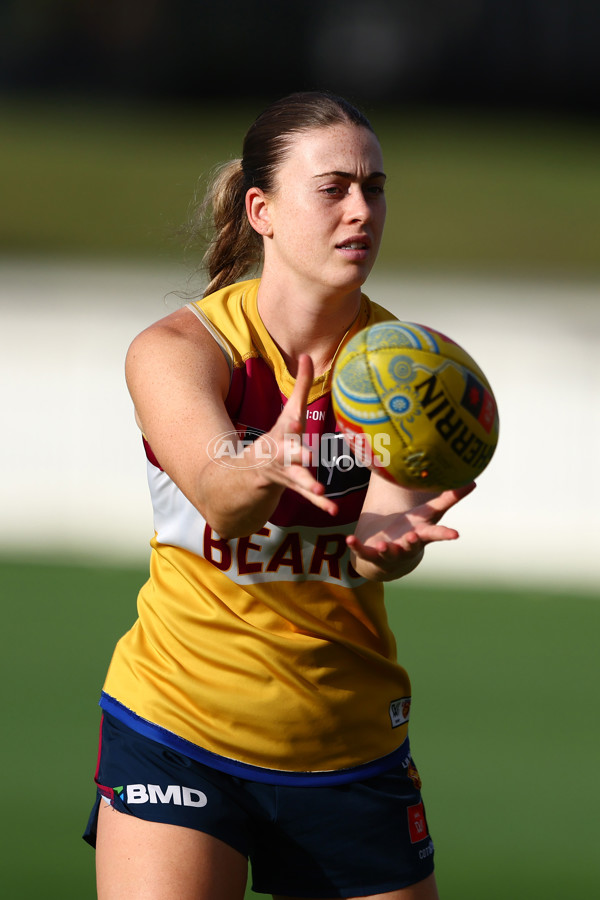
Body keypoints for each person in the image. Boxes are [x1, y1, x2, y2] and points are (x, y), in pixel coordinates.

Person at [84, 91, 475, 900]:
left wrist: (387, 546)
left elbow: (369, 559)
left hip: (347, 743)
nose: (361, 210)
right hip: (176, 726)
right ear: (261, 210)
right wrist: (262, 462)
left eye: (375, 187)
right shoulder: (181, 350)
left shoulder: (411, 372)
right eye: (333, 188)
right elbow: (221, 499)